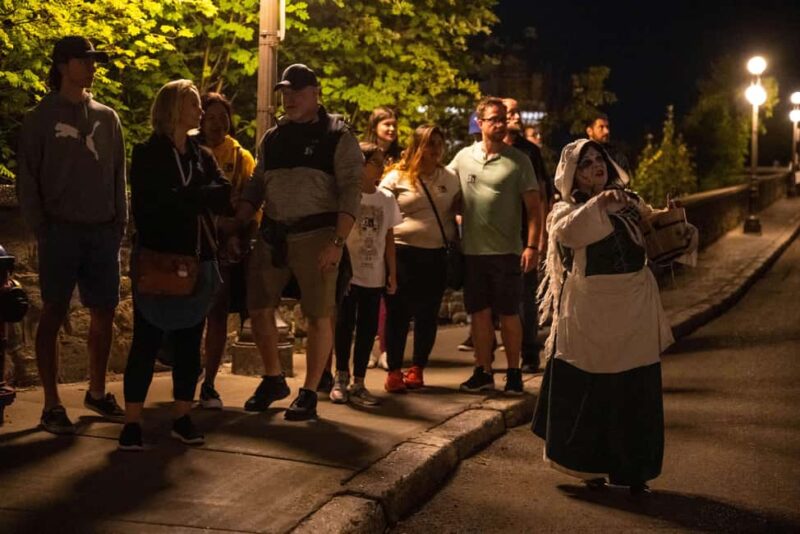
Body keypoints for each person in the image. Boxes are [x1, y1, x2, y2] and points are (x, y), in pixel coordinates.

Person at [531, 139, 689, 494]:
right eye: (585, 164)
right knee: (592, 387)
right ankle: (587, 465)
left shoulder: (631, 202)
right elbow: (571, 233)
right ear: (573, 176)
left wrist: (674, 225)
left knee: (636, 387)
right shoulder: (564, 210)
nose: (595, 166)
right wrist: (600, 204)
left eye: (597, 159)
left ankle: (634, 470)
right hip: (592, 311)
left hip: (634, 306)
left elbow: (652, 240)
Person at [231, 64, 362, 421]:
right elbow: (258, 182)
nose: (288, 99)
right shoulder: (273, 137)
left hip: (317, 234)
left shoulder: (337, 135)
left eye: (297, 92)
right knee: (257, 308)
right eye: (285, 93)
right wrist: (239, 220)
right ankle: (274, 378)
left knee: (319, 314)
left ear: (315, 92)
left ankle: (309, 390)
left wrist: (337, 241)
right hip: (274, 232)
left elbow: (352, 191)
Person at [17, 36, 127, 434]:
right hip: (61, 230)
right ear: (63, 65)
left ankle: (96, 392)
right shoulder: (40, 118)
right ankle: (51, 402)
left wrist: (119, 225)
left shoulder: (107, 117)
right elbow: (28, 178)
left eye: (94, 59)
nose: (92, 65)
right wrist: (42, 228)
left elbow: (118, 175)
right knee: (53, 311)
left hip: (102, 231)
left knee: (105, 312)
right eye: (85, 59)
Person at [118, 79, 231, 450]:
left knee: (188, 344)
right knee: (145, 342)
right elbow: (151, 208)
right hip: (157, 261)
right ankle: (132, 421)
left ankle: (182, 416)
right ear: (173, 108)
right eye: (194, 104)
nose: (201, 111)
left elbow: (224, 193)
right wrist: (195, 197)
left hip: (196, 261)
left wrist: (184, 196)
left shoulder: (201, 155)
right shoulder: (148, 153)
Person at [448, 97, 541, 395]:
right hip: (473, 252)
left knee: (510, 314)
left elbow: (535, 209)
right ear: (480, 122)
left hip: (507, 252)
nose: (501, 124)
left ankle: (513, 372)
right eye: (494, 119)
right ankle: (483, 370)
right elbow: (444, 189)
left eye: (503, 118)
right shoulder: (463, 158)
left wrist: (532, 247)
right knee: (479, 315)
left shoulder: (519, 161)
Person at [379, 125, 460, 392]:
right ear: (417, 147)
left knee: (427, 314)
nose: (435, 149)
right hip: (402, 253)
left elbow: (461, 208)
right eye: (429, 144)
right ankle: (393, 370)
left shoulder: (449, 178)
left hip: (435, 254)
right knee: (398, 313)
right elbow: (379, 211)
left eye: (439, 143)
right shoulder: (396, 178)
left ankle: (417, 368)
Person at [197, 92, 257, 409]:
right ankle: (189, 369)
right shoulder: (188, 150)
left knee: (217, 313)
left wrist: (238, 231)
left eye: (223, 117)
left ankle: (209, 382)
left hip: (224, 246)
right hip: (191, 244)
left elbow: (252, 200)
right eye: (211, 116)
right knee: (190, 313)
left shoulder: (241, 156)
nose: (218, 123)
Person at [331, 142, 401, 405]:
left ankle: (358, 381)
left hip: (375, 274)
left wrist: (392, 273)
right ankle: (340, 377)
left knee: (367, 327)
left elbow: (390, 238)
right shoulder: (346, 195)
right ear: (361, 163)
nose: (381, 166)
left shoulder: (386, 198)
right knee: (344, 325)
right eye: (376, 161)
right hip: (349, 273)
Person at [503, 97, 550, 373]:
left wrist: (540, 236)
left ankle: (529, 352)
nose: (516, 116)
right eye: (511, 112)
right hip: (496, 236)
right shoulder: (488, 151)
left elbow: (542, 194)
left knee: (525, 296)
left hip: (524, 234)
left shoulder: (530, 152)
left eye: (518, 111)